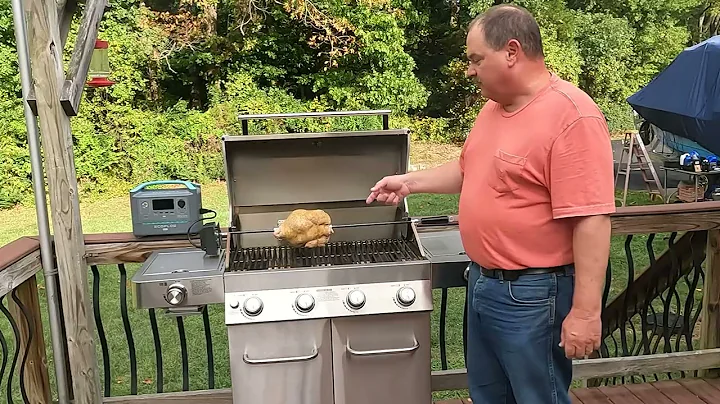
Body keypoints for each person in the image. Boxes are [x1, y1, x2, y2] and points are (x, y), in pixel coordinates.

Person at [365, 4, 615, 404]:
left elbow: (591, 219)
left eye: (476, 59)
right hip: (482, 282)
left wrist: (585, 313)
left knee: (537, 397)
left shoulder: (572, 117)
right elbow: (469, 169)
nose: (469, 70)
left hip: (534, 295)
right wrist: (409, 182)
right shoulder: (493, 109)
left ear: (512, 52)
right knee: (489, 396)